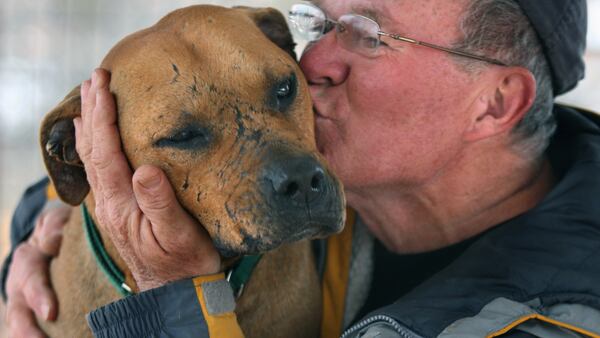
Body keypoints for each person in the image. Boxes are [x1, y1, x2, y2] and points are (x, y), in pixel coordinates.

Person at [3, 0, 599, 337]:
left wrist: (172, 298)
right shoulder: (345, 193)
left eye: (369, 35)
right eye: (321, 22)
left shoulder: (554, 324)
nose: (313, 61)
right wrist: (56, 226)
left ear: (495, 102)